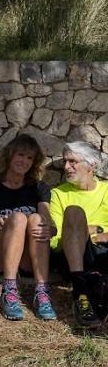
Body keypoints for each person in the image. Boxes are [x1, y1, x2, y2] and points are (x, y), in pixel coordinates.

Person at [0, 134, 55, 321]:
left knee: (36, 219)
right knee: (17, 219)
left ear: (34, 162)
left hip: (26, 258)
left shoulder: (39, 188)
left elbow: (50, 225)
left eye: (29, 158)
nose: (24, 161)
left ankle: (42, 293)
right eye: (20, 155)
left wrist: (51, 230)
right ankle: (9, 291)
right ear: (10, 155)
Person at [48, 141, 108, 329]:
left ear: (92, 165)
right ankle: (80, 292)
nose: (66, 167)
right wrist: (93, 230)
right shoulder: (58, 194)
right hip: (72, 258)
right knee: (74, 212)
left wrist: (92, 231)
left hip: (103, 252)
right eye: (65, 162)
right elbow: (55, 240)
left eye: (73, 161)